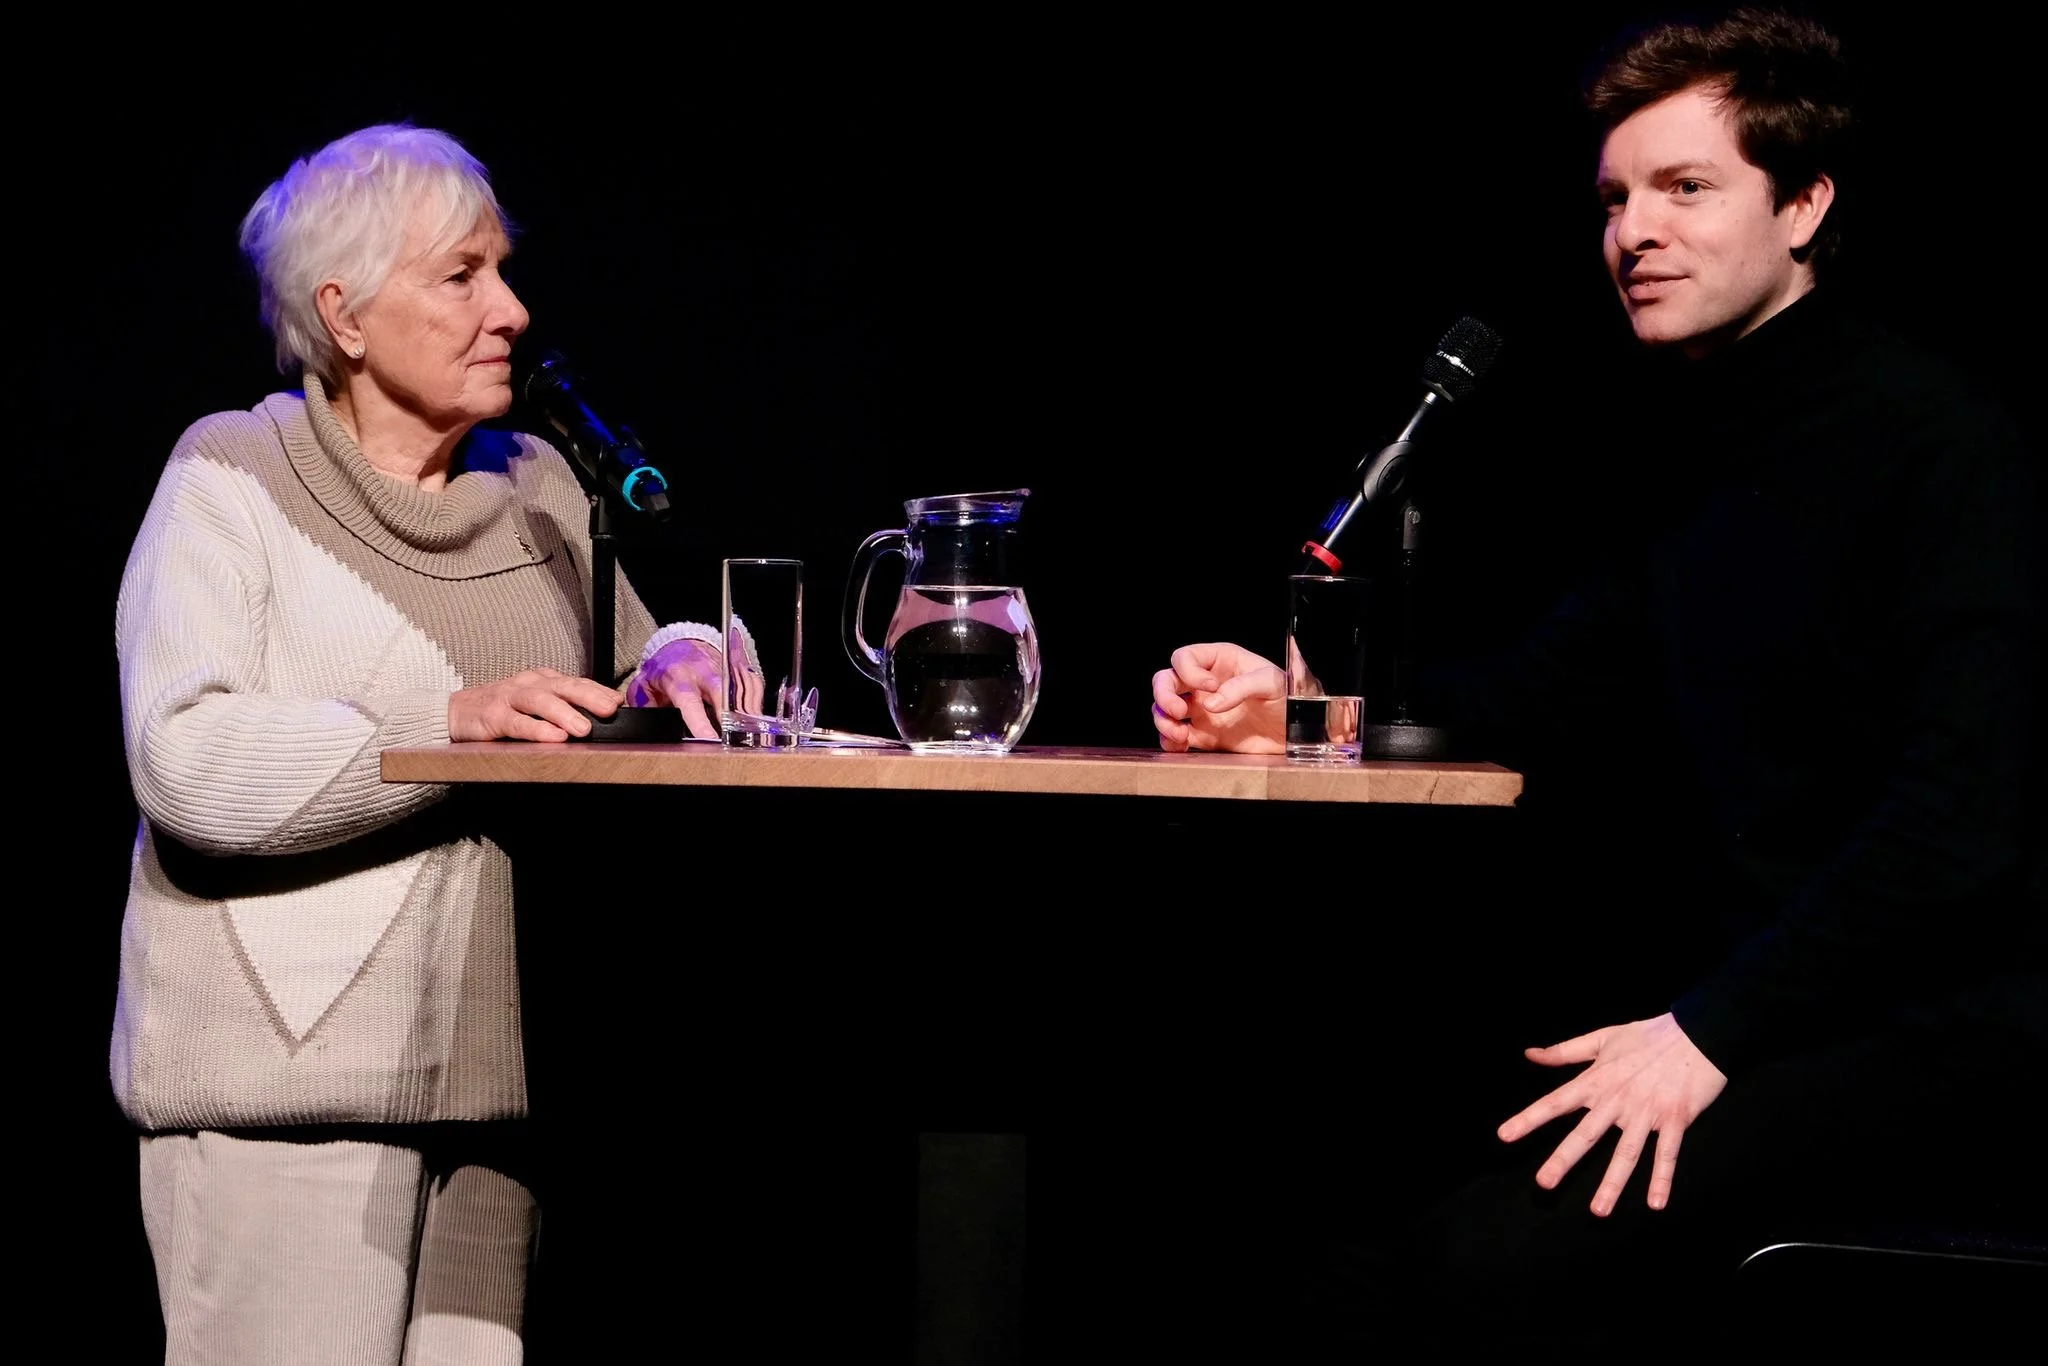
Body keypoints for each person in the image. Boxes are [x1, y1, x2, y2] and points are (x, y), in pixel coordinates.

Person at [1150, 6, 2043, 1352]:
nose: (1635, 230)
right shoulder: (1686, 448)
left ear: (1803, 205)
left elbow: (1958, 823)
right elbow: (1533, 695)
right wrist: (1306, 716)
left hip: (1922, 1035)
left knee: (1484, 1268)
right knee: (1319, 1179)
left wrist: (1703, 1033)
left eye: (1687, 187)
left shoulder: (1938, 439)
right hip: (1749, 1007)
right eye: (1617, 196)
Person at [110, 123, 739, 1364]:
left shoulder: (540, 486)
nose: (507, 308)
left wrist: (679, 663)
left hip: (504, 1092)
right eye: (460, 276)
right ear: (342, 316)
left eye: (501, 268)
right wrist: (437, 726)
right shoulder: (229, 476)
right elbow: (183, 754)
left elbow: (619, 684)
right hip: (293, 1099)